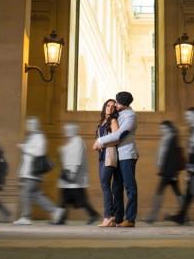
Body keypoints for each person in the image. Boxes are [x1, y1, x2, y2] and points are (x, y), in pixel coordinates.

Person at [94, 91, 138, 227]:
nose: (115, 105)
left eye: (118, 103)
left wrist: (100, 141)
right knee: (116, 187)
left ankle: (130, 219)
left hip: (127, 155)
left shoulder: (130, 116)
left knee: (129, 187)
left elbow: (119, 135)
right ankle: (118, 218)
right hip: (118, 155)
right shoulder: (120, 113)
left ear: (124, 105)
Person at [13, 116, 65, 225]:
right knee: (36, 195)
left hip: (33, 174)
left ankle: (26, 217)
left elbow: (39, 152)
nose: (29, 126)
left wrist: (24, 147)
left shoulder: (39, 137)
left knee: (26, 193)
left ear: (36, 125)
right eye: (28, 124)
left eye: (32, 124)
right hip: (30, 173)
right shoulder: (31, 137)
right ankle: (55, 210)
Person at [56, 123, 100, 225]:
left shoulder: (77, 142)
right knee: (66, 198)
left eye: (68, 130)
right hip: (69, 176)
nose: (66, 132)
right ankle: (61, 219)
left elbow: (76, 159)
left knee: (78, 199)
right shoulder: (72, 142)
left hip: (73, 176)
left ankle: (93, 214)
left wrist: (73, 173)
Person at [143, 120, 184, 223]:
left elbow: (174, 157)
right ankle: (184, 214)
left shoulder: (173, 138)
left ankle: (152, 216)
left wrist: (174, 173)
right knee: (177, 193)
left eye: (164, 128)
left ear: (169, 128)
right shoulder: (165, 139)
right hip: (166, 171)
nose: (162, 130)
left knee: (159, 192)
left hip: (169, 172)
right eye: (161, 128)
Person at [95, 99, 123, 227]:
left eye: (113, 106)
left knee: (105, 185)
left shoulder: (113, 121)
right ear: (104, 106)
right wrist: (97, 144)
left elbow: (117, 139)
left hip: (110, 154)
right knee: (104, 185)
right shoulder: (102, 121)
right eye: (108, 105)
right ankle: (110, 217)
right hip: (102, 155)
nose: (110, 108)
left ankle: (108, 216)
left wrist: (102, 143)